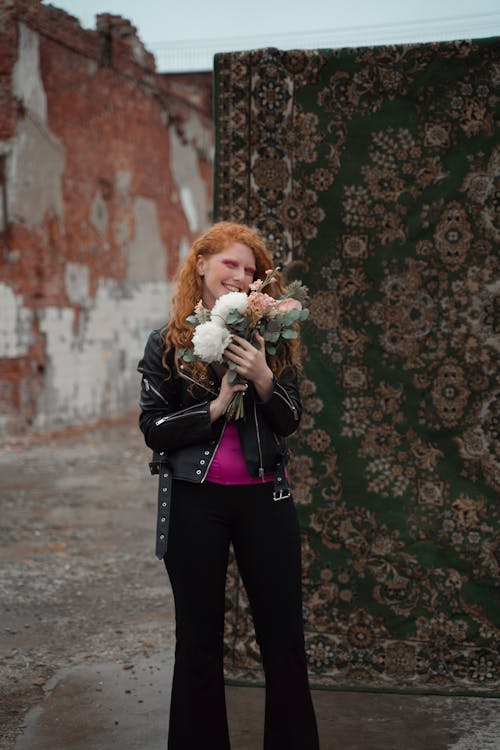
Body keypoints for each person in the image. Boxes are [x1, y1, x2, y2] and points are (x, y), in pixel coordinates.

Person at [137, 221, 320, 749]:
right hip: (196, 502)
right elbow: (154, 429)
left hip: (268, 499)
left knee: (283, 639)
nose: (240, 276)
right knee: (198, 641)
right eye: (229, 265)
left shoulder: (273, 341)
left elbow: (290, 420)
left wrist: (263, 376)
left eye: (250, 270)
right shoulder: (167, 344)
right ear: (201, 265)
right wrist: (215, 407)